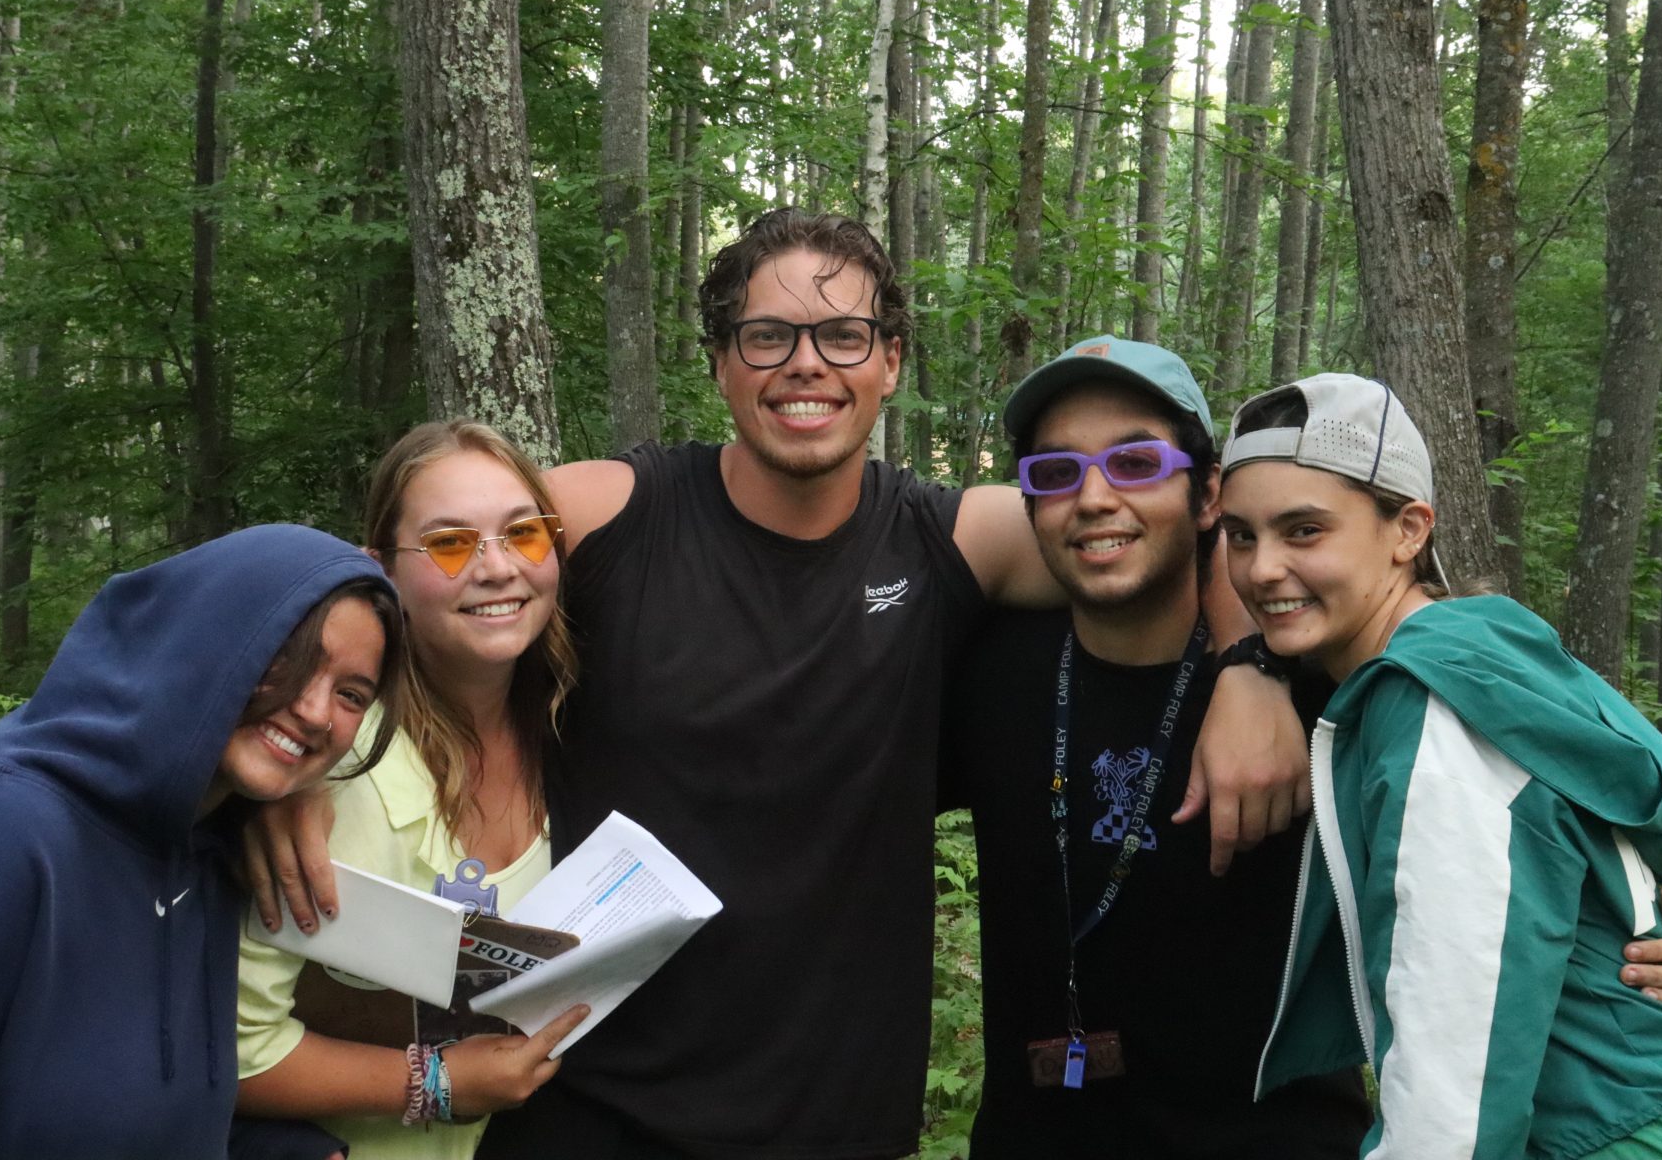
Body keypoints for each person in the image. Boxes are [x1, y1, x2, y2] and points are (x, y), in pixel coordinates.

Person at [251, 210, 1310, 1159]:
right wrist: (306, 759)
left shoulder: (951, 538)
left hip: (837, 1119)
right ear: (720, 364)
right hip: (590, 1105)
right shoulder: (611, 514)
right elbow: (417, 573)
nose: (806, 365)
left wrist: (1250, 670)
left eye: (843, 335)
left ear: (890, 361)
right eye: (768, 337)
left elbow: (1156, 527)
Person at [945, 343, 1662, 1158]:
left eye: (1137, 460)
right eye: (1055, 473)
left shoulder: (1369, 699)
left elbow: (1457, 1068)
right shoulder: (983, 670)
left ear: (1202, 491)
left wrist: (1658, 956)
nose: (1096, 496)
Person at [1221, 373, 1662, 1158]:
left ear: (1407, 530)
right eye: (1240, 535)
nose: (1261, 569)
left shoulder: (1434, 705)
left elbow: (1456, 1068)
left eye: (1303, 532)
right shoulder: (1482, 656)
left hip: (1628, 1134)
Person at [0, 524, 403, 1160]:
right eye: (293, 661)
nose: (317, 712)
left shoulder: (212, 858)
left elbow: (139, 1110)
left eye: (352, 694)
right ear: (209, 639)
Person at [233, 421, 591, 1160]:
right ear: (382, 572)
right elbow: (232, 1050)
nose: (496, 568)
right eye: (451, 544)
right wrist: (437, 1082)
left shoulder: (580, 730)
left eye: (523, 533)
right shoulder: (329, 763)